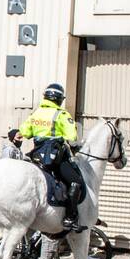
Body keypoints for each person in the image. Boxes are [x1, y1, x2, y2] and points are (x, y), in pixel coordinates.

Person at [20, 83, 85, 232]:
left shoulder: (35, 114)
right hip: (54, 158)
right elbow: (72, 136)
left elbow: (25, 131)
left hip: (37, 157)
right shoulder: (61, 114)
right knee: (75, 181)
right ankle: (70, 217)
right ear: (59, 99)